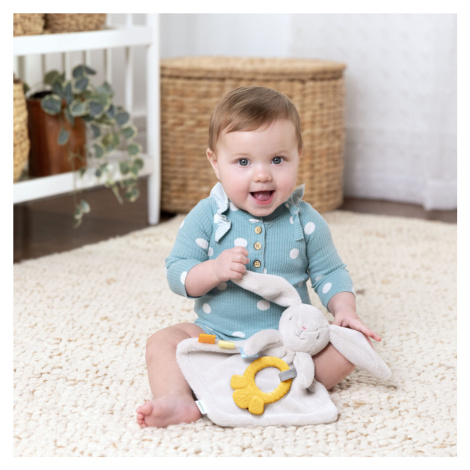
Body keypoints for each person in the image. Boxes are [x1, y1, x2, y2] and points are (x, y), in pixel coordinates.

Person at [136, 86, 382, 428]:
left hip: (290, 343)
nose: (262, 174)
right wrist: (214, 270)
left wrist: (345, 311)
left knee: (349, 348)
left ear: (298, 155)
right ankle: (177, 399)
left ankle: (285, 386)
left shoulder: (305, 221)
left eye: (278, 160)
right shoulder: (208, 216)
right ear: (215, 163)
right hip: (215, 336)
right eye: (243, 162)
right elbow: (178, 273)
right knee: (162, 342)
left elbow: (330, 272)